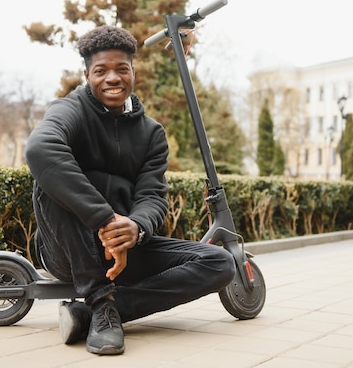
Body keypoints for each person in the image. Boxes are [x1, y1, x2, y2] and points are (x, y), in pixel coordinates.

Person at [24, 25, 235, 356]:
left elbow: (152, 197)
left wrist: (134, 229)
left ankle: (97, 311)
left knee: (219, 262)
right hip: (68, 250)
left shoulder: (151, 133)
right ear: (87, 74)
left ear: (133, 72)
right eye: (101, 71)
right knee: (49, 183)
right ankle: (101, 299)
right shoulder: (70, 110)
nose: (112, 78)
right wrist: (105, 221)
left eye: (122, 69)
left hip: (125, 250)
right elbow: (41, 149)